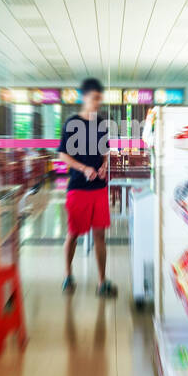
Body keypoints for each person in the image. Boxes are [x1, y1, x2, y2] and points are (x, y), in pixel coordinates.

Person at [57, 77, 117, 297]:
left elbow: (105, 152)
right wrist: (83, 169)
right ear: (84, 97)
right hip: (78, 188)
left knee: (100, 235)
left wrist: (103, 166)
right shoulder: (71, 123)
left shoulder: (101, 124)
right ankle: (68, 275)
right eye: (95, 98)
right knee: (73, 233)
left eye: (100, 99)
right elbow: (63, 154)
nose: (98, 103)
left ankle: (102, 282)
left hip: (99, 188)